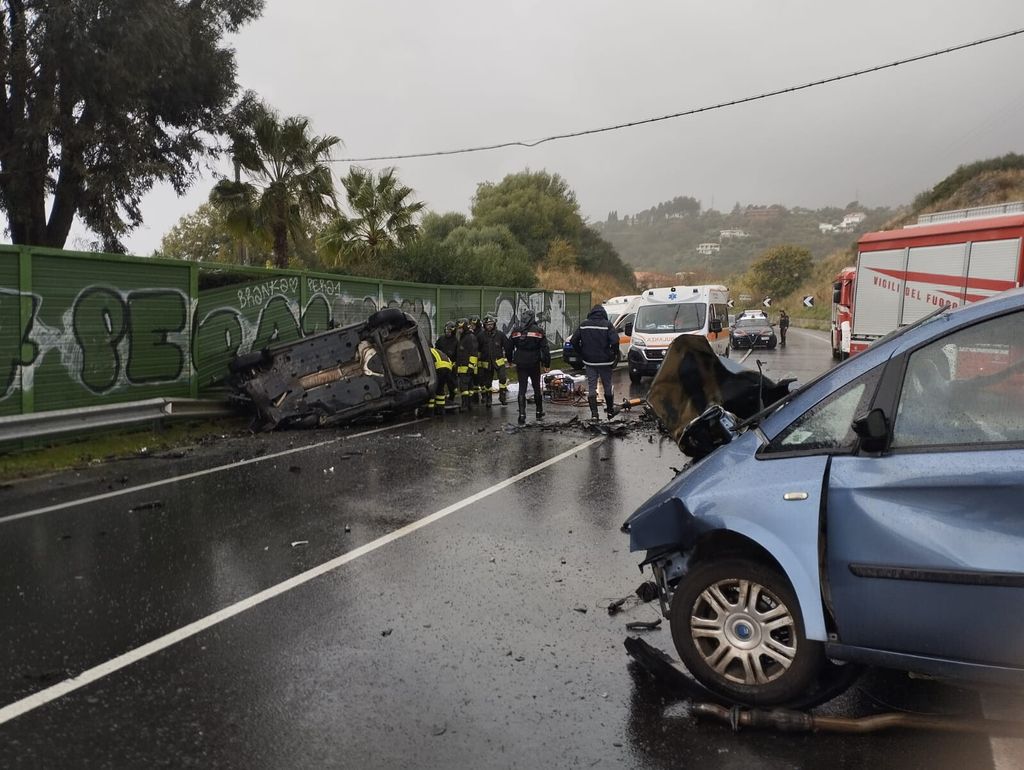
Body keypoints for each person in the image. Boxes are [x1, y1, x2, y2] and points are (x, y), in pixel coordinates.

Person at [571, 305, 620, 420]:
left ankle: (594, 414)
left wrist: (581, 352)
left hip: (590, 361)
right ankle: (610, 411)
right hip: (605, 362)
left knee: (592, 387)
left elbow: (574, 340)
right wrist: (614, 353)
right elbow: (615, 341)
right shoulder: (607, 325)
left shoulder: (584, 325)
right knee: (607, 386)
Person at [508, 309, 550, 425]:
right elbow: (545, 348)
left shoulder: (516, 330)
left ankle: (522, 414)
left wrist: (510, 359)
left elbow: (509, 346)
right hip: (534, 362)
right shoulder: (538, 331)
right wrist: (546, 363)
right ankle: (539, 411)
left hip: (521, 362)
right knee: (536, 386)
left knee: (522, 387)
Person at [476, 314, 510, 406]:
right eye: (488, 324)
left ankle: (502, 397)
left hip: (499, 362)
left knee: (503, 378)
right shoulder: (480, 336)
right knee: (488, 382)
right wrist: (478, 362)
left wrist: (510, 359)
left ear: (494, 324)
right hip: (486, 363)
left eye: (491, 324)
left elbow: (507, 347)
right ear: (484, 325)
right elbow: (477, 349)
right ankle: (488, 399)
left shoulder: (500, 335)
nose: (490, 326)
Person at [455, 317, 479, 411]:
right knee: (469, 387)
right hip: (463, 367)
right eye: (458, 328)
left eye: (460, 328)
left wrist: (470, 367)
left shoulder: (469, 337)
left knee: (464, 388)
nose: (459, 330)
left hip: (467, 368)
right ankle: (469, 404)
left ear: (464, 327)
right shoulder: (464, 337)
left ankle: (465, 405)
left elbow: (474, 353)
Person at [435, 321, 460, 409]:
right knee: (440, 385)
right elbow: (436, 350)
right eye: (446, 331)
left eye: (449, 331)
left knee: (452, 385)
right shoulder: (441, 339)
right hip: (441, 367)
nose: (447, 332)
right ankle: (440, 401)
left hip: (452, 367)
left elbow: (458, 354)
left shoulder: (456, 342)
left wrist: (455, 364)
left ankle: (451, 399)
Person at [428, 347, 456, 416]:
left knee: (432, 388)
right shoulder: (434, 350)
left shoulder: (426, 351)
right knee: (440, 389)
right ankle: (441, 410)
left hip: (439, 368)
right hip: (448, 367)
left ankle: (430, 411)